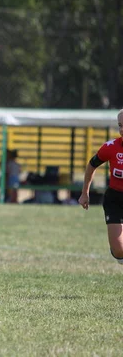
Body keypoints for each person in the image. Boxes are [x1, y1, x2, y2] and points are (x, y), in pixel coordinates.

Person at [79, 109, 123, 266]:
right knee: (119, 251)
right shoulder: (111, 147)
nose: (122, 129)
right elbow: (91, 165)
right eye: (120, 125)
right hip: (115, 200)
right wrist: (85, 193)